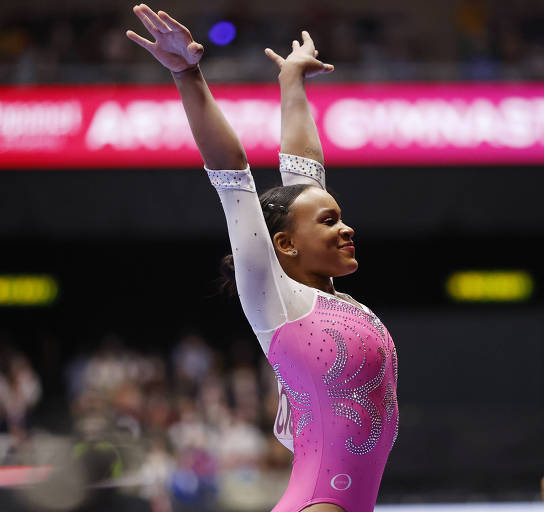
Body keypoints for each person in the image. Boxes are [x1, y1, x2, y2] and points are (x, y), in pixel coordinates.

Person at [126, 5, 399, 511]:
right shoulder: (275, 299)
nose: (347, 228)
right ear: (284, 245)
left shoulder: (334, 303)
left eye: (340, 217)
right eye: (329, 222)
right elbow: (232, 174)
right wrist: (188, 74)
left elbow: (305, 175)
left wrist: (292, 81)